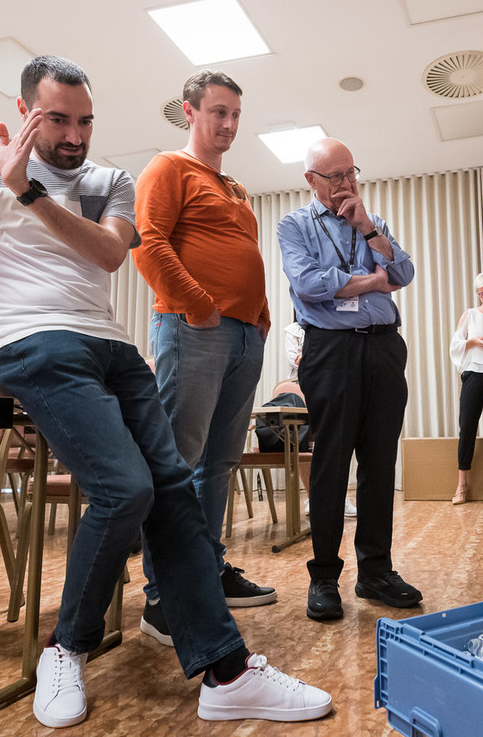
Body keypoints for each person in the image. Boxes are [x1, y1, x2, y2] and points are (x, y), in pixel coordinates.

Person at [0, 49, 330, 729]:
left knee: (173, 487)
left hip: (111, 346)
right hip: (29, 341)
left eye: (86, 121)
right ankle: (66, 647)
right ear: (24, 111)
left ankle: (226, 671)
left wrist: (29, 193)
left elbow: (109, 252)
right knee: (126, 488)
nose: (75, 136)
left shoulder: (109, 178)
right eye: (58, 119)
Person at [131, 70, 276, 641]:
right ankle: (163, 594)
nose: (229, 124)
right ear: (189, 112)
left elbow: (243, 252)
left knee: (219, 462)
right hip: (193, 327)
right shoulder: (168, 167)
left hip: (243, 334)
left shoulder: (235, 187)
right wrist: (197, 304)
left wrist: (261, 314)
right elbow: (148, 243)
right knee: (179, 462)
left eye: (236, 114)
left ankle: (208, 571)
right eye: (219, 112)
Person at [276, 137, 420, 622]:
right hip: (331, 351)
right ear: (311, 180)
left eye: (350, 172)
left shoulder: (372, 222)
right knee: (332, 464)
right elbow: (309, 285)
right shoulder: (294, 225)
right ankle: (323, 577)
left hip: (383, 347)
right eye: (334, 176)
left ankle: (375, 571)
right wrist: (376, 281)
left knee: (379, 462)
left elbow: (405, 271)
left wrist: (368, 230)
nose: (345, 183)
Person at [283, 319, 356, 519]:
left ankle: (340, 498)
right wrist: (317, 357)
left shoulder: (332, 323)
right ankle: (312, 497)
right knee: (305, 445)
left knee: (335, 443)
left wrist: (310, 356)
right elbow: (295, 360)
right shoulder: (292, 330)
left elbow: (338, 356)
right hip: (302, 388)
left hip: (332, 384)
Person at [447, 271, 483, 506]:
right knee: (467, 427)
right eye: (482, 294)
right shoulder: (470, 315)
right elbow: (455, 345)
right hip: (473, 373)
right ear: (477, 294)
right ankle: (462, 484)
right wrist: (474, 341)